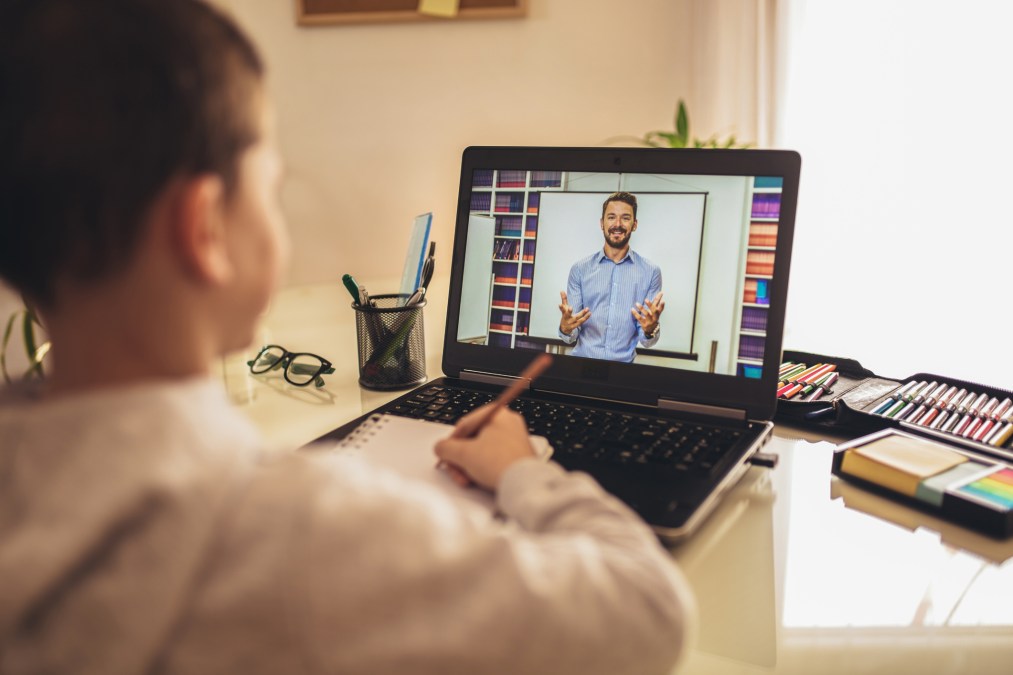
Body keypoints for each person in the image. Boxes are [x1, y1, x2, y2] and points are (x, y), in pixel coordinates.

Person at [0, 1, 695, 674]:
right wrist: (521, 470)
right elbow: (648, 611)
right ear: (204, 229)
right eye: (270, 190)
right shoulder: (297, 534)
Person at [558, 191, 666, 362]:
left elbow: (647, 341)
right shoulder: (580, 269)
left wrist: (650, 329)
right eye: (611, 217)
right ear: (602, 223)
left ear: (634, 224)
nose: (617, 224)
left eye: (625, 218)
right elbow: (570, 335)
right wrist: (565, 328)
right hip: (580, 366)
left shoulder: (651, 272)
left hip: (622, 372)